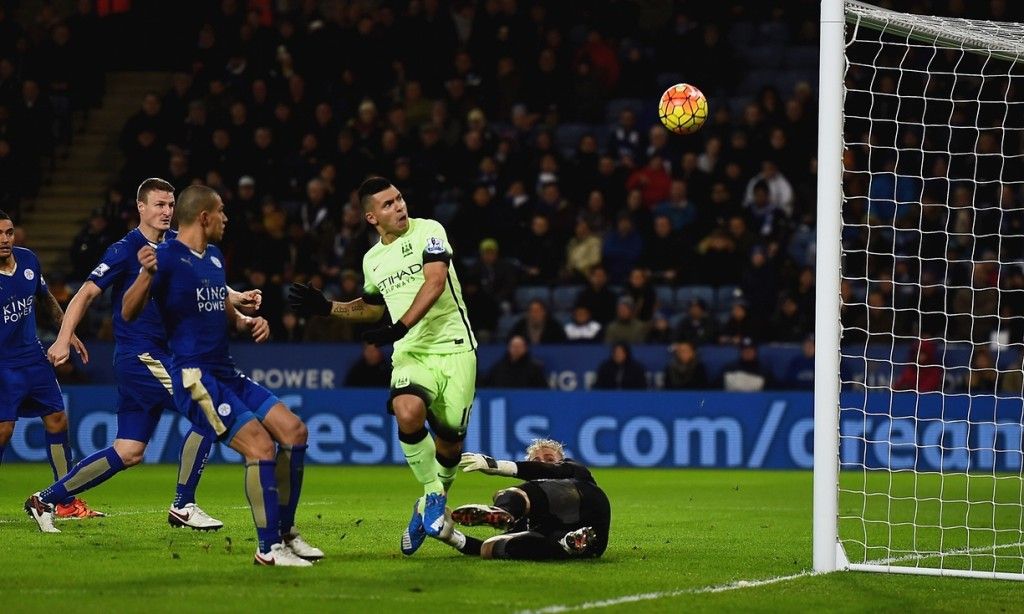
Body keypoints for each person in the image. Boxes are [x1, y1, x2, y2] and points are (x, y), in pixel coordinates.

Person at [36, 185, 320, 566]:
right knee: (207, 411)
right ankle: (187, 505)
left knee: (129, 450)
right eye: (159, 204)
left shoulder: (188, 249)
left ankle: (45, 498)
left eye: (171, 204)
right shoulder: (128, 250)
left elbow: (204, 284)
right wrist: (64, 337)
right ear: (140, 207)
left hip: (171, 355)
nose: (166, 211)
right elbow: (88, 293)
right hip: (145, 356)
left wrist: (239, 305)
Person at [287, 176, 477, 556]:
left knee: (450, 446)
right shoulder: (372, 259)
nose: (399, 206)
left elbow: (435, 282)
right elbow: (373, 306)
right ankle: (433, 495)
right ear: (372, 218)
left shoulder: (429, 231)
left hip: (455, 349)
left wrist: (398, 325)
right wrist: (329, 308)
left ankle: (426, 506)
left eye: (400, 198)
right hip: (410, 351)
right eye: (388, 204)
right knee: (407, 411)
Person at [0, 210, 101, 519]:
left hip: (33, 357)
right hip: (3, 365)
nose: (4, 240)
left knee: (57, 419)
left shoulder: (28, 260)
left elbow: (44, 298)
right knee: (4, 430)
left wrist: (65, 332)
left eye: (9, 233)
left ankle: (65, 501)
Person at [430, 438, 610, 560]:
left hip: (590, 508)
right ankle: (566, 544)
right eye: (536, 460)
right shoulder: (530, 512)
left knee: (510, 494)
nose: (542, 463)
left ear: (561, 459)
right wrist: (451, 537)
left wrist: (498, 466)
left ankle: (504, 511)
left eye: (549, 458)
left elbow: (550, 471)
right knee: (491, 547)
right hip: (590, 546)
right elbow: (482, 548)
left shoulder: (574, 469)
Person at [480, 335, 548, 389]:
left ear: (525, 348)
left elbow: (543, 389)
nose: (516, 349)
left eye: (519, 347)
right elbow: (486, 385)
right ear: (509, 348)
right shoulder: (499, 367)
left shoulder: (534, 368)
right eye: (514, 347)